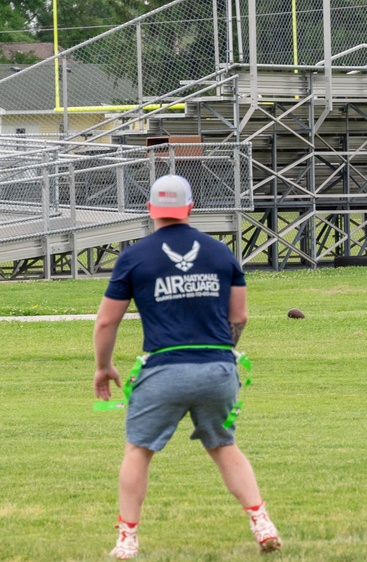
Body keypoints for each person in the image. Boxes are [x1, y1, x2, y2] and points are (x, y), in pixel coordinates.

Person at [93, 175, 281, 560]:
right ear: (190, 208)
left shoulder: (134, 257)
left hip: (163, 369)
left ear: (150, 210)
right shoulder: (221, 252)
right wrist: (222, 357)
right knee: (225, 447)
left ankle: (126, 539)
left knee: (138, 450)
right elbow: (240, 315)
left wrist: (104, 366)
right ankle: (261, 521)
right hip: (217, 368)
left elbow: (106, 322)